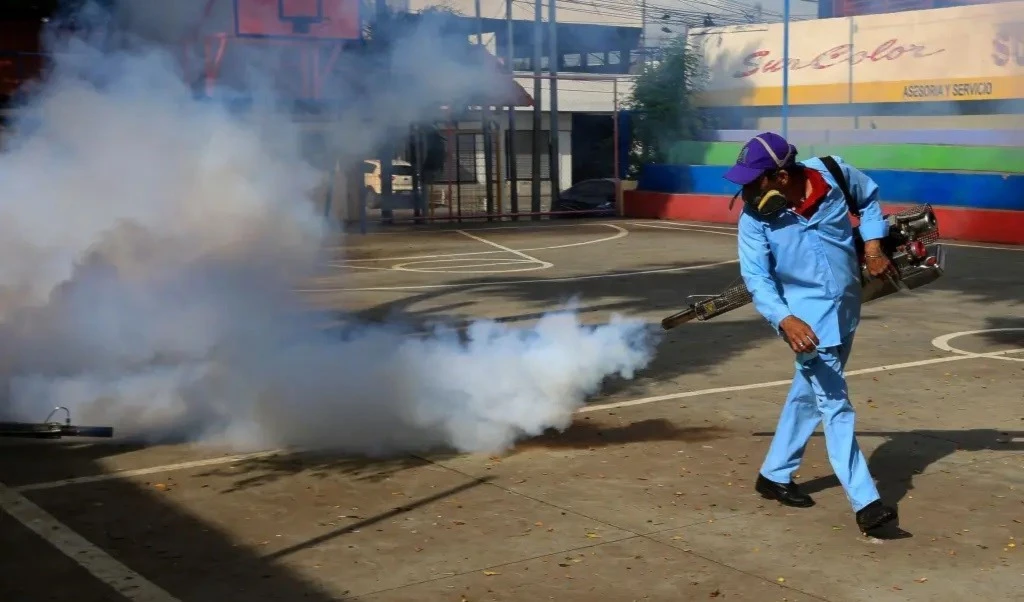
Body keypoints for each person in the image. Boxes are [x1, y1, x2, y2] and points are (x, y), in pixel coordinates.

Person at [723, 131, 899, 534]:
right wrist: (785, 319)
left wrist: (872, 248)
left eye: (753, 181)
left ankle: (774, 475)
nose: (746, 191)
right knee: (835, 405)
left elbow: (870, 201)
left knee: (808, 396)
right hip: (808, 326)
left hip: (847, 310)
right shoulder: (754, 220)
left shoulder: (834, 173)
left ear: (781, 177)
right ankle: (866, 502)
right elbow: (756, 277)